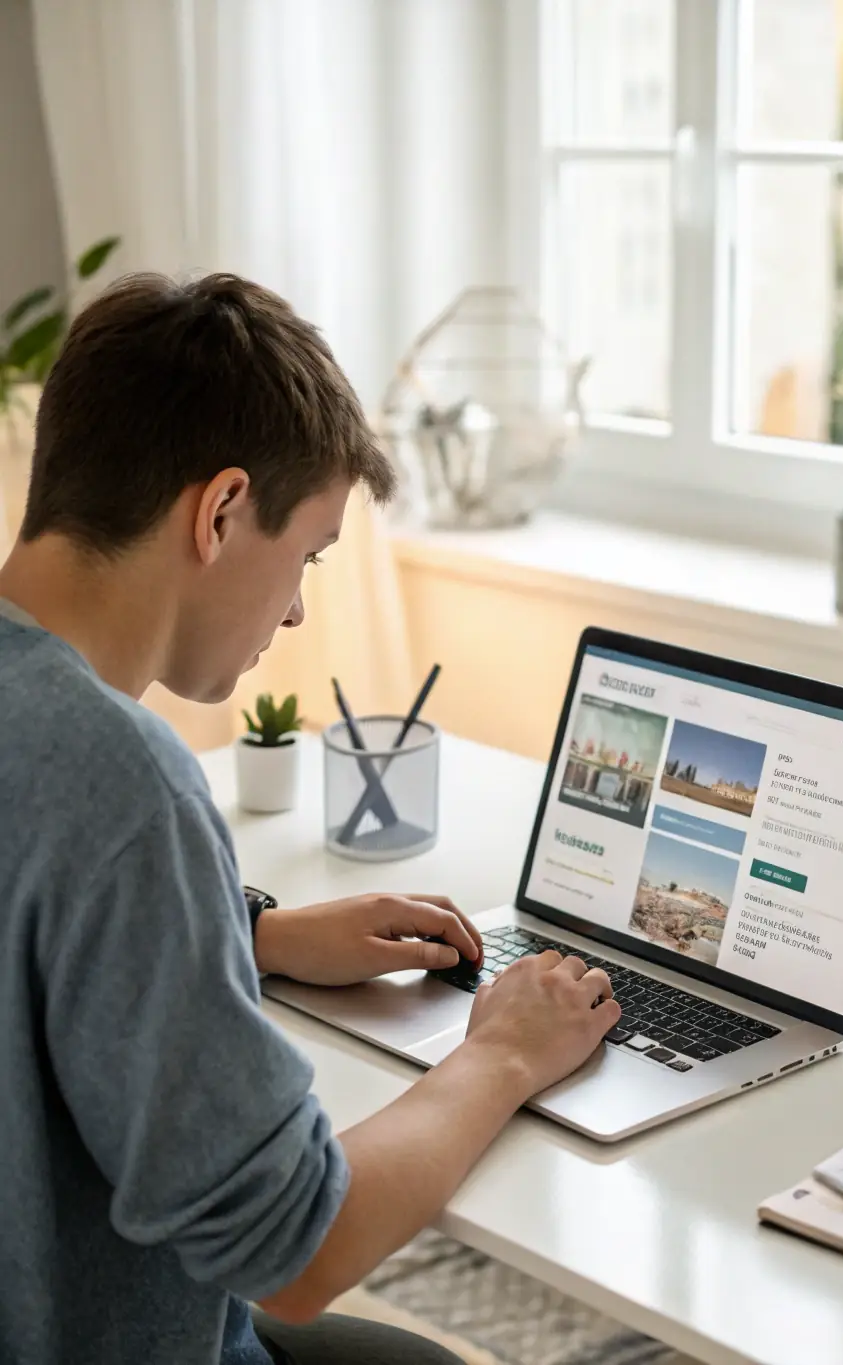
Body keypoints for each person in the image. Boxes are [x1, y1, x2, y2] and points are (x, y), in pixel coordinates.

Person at [0, 272, 620, 1365]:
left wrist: (249, 934)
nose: (293, 608)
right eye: (308, 555)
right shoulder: (124, 782)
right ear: (221, 511)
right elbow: (293, 1247)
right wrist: (503, 1054)